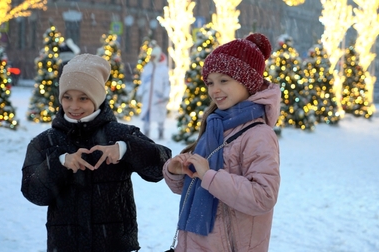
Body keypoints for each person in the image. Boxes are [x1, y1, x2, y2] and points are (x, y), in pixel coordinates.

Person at [21, 53, 172, 252]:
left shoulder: (122, 134)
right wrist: (59, 163)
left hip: (115, 245)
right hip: (66, 246)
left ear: (98, 98)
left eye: (83, 98)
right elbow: (34, 194)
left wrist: (125, 149)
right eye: (67, 97)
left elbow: (162, 166)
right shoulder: (44, 142)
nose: (74, 106)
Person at [163, 33, 281, 252]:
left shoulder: (259, 135)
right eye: (210, 82)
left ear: (248, 82)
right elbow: (193, 189)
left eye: (224, 81)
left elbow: (263, 197)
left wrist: (209, 176)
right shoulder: (216, 126)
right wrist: (176, 171)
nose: (214, 90)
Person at [137, 45, 171, 139]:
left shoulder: (163, 69)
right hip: (147, 97)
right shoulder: (147, 68)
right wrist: (140, 92)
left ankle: (161, 131)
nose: (151, 58)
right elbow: (143, 82)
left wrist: (165, 95)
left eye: (153, 56)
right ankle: (146, 132)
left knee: (160, 115)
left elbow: (167, 84)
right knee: (147, 116)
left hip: (158, 98)